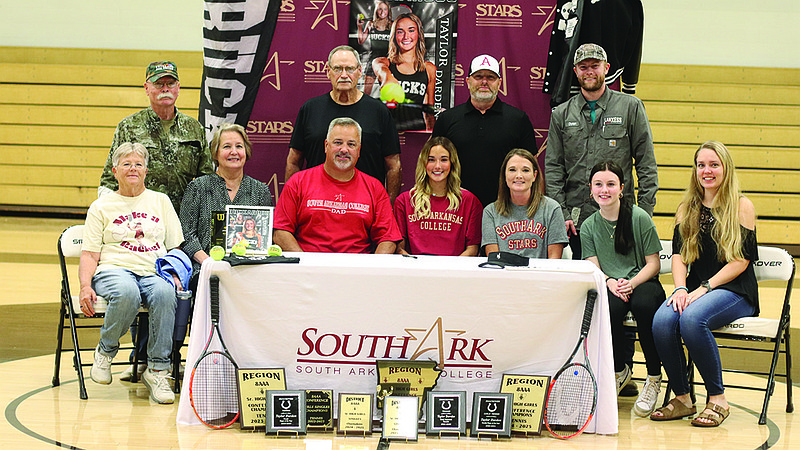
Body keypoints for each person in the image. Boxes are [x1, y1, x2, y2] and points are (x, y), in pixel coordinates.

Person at [651, 141, 758, 427]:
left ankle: (717, 399)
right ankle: (683, 397)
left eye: (714, 165)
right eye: (701, 165)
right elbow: (678, 255)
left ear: (726, 168)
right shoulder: (687, 207)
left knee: (692, 319)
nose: (706, 171)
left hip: (734, 290)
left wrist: (704, 288)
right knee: (662, 320)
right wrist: (680, 288)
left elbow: (741, 262)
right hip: (695, 290)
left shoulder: (742, 206)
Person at [79, 143, 184, 404]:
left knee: (164, 292)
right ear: (115, 171)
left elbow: (175, 247)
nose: (133, 169)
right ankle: (105, 352)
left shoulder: (161, 201)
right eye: (126, 164)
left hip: (152, 271)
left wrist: (175, 274)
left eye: (138, 164)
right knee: (127, 292)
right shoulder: (101, 206)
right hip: (113, 270)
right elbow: (90, 254)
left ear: (146, 170)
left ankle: (157, 370)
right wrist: (84, 285)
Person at [545, 43, 657, 260]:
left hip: (622, 214)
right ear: (575, 71)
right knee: (584, 285)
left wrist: (644, 211)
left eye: (594, 65)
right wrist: (562, 212)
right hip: (576, 218)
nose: (589, 71)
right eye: (583, 66)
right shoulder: (561, 114)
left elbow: (646, 163)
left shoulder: (630, 107)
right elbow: (553, 167)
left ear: (606, 68)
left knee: (621, 280)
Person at [580, 160, 665, 417]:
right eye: (598, 184)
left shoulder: (639, 218)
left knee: (643, 305)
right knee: (609, 307)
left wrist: (632, 282)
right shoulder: (588, 226)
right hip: (611, 284)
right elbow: (593, 266)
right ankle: (619, 370)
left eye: (610, 184)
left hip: (643, 282)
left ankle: (653, 376)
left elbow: (654, 263)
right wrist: (609, 282)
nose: (604, 190)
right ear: (591, 189)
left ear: (622, 188)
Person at [286, 45, 402, 203]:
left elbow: (393, 165)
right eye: (338, 68)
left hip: (365, 207)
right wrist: (291, 203)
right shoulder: (310, 109)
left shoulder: (379, 111)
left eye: (350, 69)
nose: (344, 75)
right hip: (316, 204)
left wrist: (387, 207)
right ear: (328, 71)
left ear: (360, 71)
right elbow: (294, 161)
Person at [99, 61, 214, 214]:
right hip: (139, 218)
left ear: (178, 87)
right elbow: (110, 179)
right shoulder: (129, 127)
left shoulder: (194, 128)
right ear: (147, 88)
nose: (165, 89)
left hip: (183, 218)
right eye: (159, 84)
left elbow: (206, 180)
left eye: (171, 83)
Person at [275, 117, 402, 253]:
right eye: (338, 142)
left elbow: (388, 239)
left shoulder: (375, 188)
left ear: (359, 150)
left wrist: (370, 271)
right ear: (326, 146)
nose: (344, 149)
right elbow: (280, 232)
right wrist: (305, 265)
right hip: (309, 268)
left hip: (356, 270)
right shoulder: (298, 182)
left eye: (351, 144)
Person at [431, 54, 537, 208]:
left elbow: (532, 168)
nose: (484, 82)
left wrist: (534, 207)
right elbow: (434, 165)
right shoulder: (447, 119)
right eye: (478, 76)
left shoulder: (518, 119)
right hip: (455, 207)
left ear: (499, 83)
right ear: (468, 81)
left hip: (505, 208)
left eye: (491, 77)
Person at [180, 123, 273, 282]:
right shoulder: (198, 188)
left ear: (246, 152)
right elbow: (186, 235)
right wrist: (208, 262)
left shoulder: (260, 191)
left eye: (239, 146)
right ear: (215, 153)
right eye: (227, 146)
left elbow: (265, 238)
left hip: (249, 271)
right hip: (206, 270)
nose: (234, 152)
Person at [393, 137, 482, 256]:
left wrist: (449, 272)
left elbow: (472, 250)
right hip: (416, 271)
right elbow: (399, 249)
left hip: (454, 271)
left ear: (452, 163)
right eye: (431, 160)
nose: (437, 166)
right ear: (423, 163)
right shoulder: (404, 201)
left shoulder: (469, 201)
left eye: (444, 160)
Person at [482, 149, 567, 259]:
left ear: (534, 175)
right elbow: (494, 259)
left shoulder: (552, 209)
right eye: (512, 170)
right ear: (504, 175)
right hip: (504, 274)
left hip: (541, 274)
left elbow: (554, 261)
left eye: (525, 170)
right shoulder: (490, 212)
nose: (519, 175)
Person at [372, 12, 437, 130]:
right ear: (394, 36)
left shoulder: (429, 69)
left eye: (411, 30)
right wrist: (388, 78)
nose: (406, 36)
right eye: (400, 31)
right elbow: (380, 68)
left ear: (419, 34)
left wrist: (432, 140)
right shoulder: (384, 63)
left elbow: (429, 112)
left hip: (416, 134)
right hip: (388, 134)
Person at [357, 1, 393, 96]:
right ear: (376, 11)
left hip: (387, 61)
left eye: (385, 9)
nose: (382, 12)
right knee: (366, 94)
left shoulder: (392, 25)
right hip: (372, 60)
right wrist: (359, 26)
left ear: (388, 11)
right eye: (380, 9)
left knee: (387, 94)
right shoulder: (371, 24)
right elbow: (361, 41)